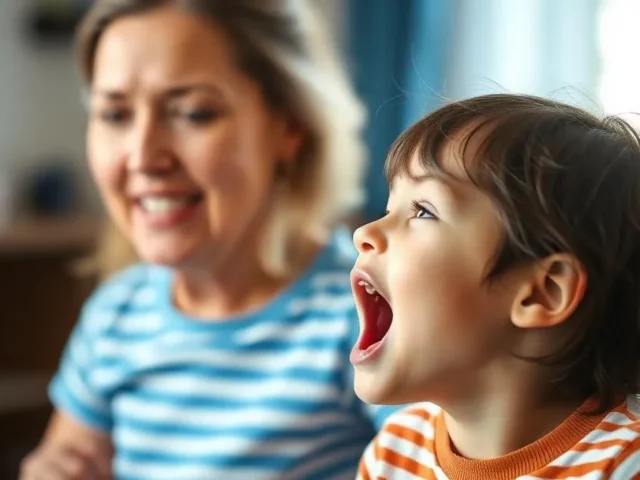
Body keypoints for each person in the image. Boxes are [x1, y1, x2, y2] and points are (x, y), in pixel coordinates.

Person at [20, 1, 398, 479]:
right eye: (114, 114)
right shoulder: (115, 316)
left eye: (194, 113)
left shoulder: (364, 314)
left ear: (290, 127)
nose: (142, 156)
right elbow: (61, 462)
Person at [350, 94, 640, 479]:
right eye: (389, 209)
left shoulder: (624, 465)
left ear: (543, 292)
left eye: (423, 210)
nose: (363, 233)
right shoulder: (394, 452)